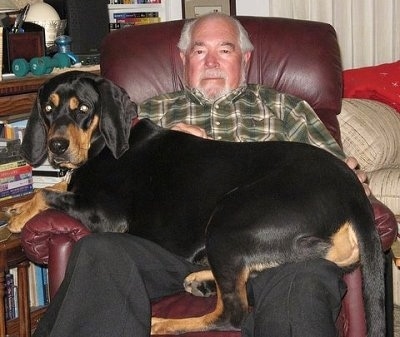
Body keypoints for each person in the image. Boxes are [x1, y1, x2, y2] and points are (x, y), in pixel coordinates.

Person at [33, 13, 369, 337]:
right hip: (168, 249)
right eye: (198, 51)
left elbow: (334, 178)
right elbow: (102, 181)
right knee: (99, 252)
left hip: (276, 249)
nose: (211, 62)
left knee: (303, 284)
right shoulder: (148, 114)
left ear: (247, 59)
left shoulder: (287, 109)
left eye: (224, 50)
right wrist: (167, 144)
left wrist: (354, 177)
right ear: (182, 60)